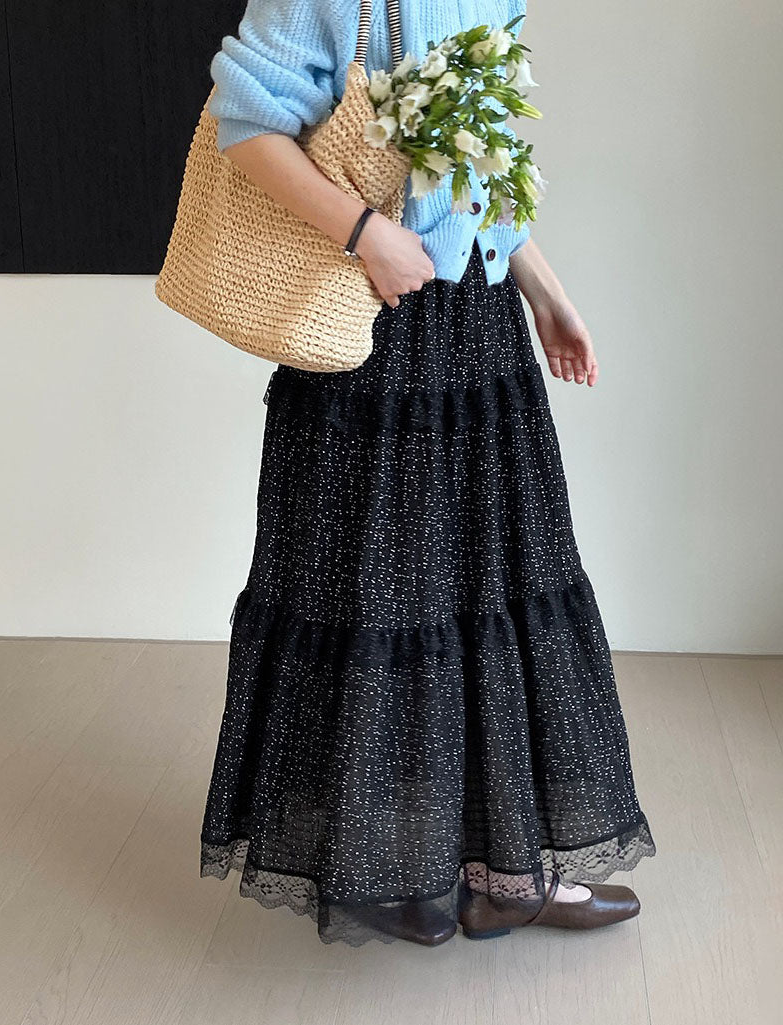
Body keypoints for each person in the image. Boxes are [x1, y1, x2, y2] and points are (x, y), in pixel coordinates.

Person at [199, 0, 657, 947]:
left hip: (479, 325)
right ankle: (385, 861)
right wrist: (364, 231)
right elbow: (245, 123)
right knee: (376, 594)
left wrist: (546, 292)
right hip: (367, 321)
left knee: (501, 584)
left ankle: (509, 864)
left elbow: (477, 166)